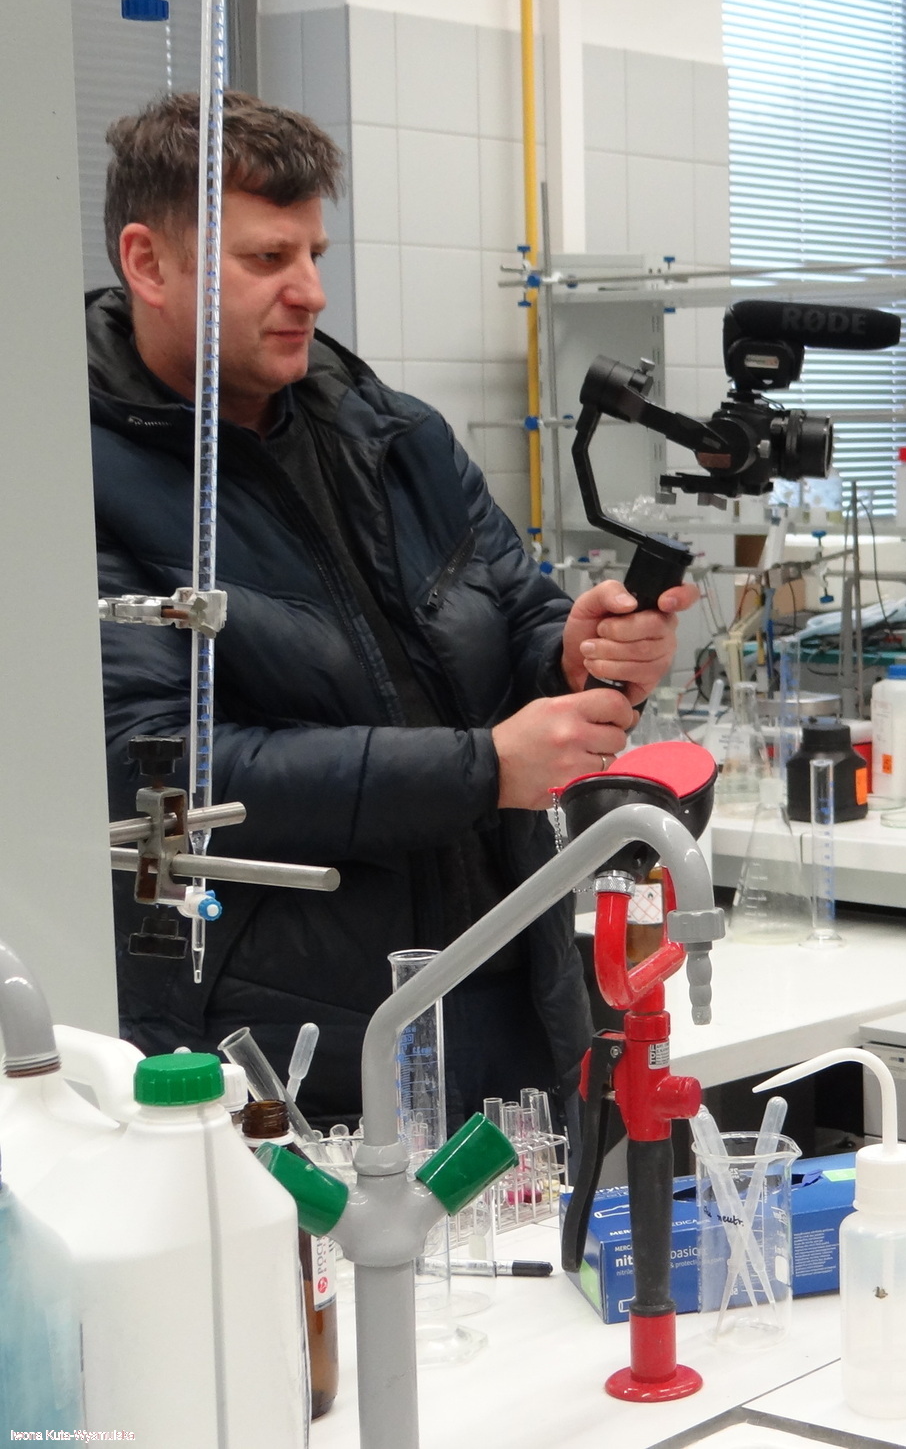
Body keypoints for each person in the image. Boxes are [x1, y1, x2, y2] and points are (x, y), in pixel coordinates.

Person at [90, 92, 695, 1127]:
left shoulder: (393, 435)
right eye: (268, 258)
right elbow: (158, 767)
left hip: (505, 980)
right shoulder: (73, 477)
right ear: (148, 263)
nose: (311, 291)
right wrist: (484, 768)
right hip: (286, 1045)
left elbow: (517, 612)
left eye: (315, 253)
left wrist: (578, 650)